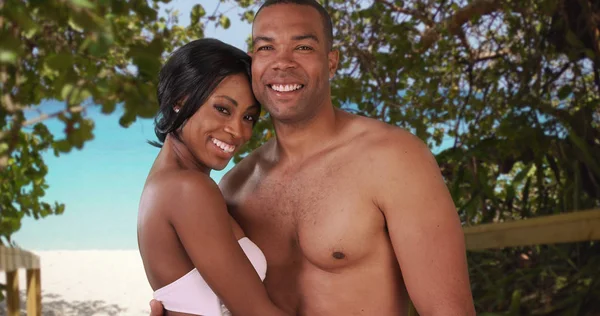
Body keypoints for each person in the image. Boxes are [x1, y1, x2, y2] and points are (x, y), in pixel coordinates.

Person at [150, 0, 476, 315]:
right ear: (254, 63)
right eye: (267, 48)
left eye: (302, 47)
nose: (283, 63)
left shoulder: (394, 160)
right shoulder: (235, 188)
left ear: (331, 61)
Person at [137, 38, 289, 316]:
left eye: (249, 118)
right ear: (179, 101)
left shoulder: (164, 185)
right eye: (223, 109)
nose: (238, 131)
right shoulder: (188, 189)